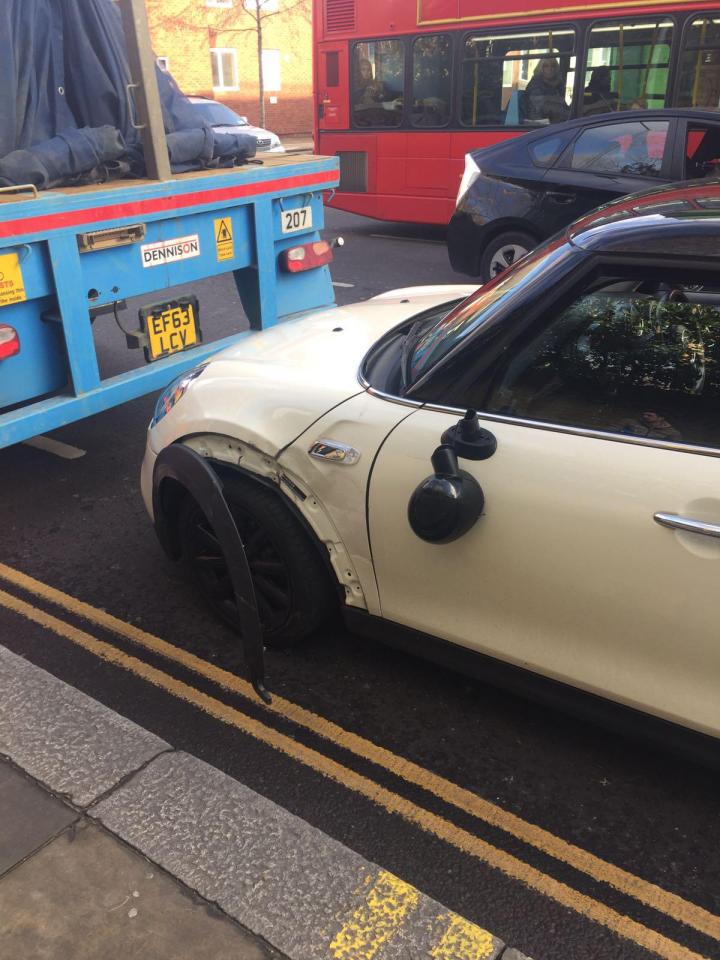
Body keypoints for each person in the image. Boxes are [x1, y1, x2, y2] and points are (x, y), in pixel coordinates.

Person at [523, 58, 570, 123]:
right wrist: (567, 113)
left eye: (553, 66)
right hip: (538, 121)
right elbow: (542, 105)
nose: (550, 68)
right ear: (541, 68)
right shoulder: (535, 84)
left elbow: (562, 103)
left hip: (554, 119)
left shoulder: (558, 84)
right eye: (546, 66)